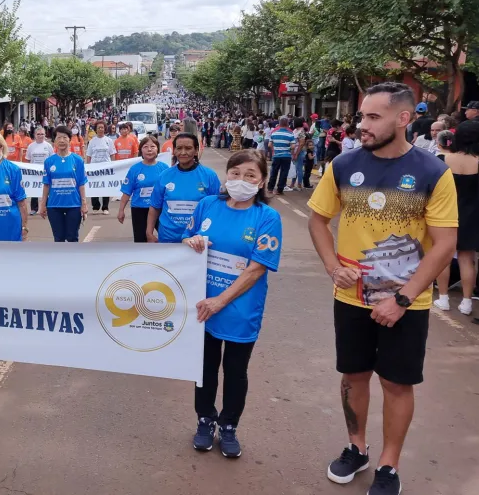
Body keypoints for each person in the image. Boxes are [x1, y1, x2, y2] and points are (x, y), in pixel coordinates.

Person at [308, 83, 458, 495]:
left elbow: (444, 244)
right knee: (353, 374)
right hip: (351, 298)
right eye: (362, 116)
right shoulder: (344, 164)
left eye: (373, 117)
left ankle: (389, 466)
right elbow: (318, 220)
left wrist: (403, 298)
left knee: (395, 382)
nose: (362, 125)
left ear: (404, 119)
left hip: (407, 303)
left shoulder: (433, 172)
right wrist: (332, 265)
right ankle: (357, 448)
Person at [182, 149, 282, 459]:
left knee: (236, 371)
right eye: (236, 173)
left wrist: (221, 301)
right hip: (203, 307)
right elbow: (186, 241)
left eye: (250, 175)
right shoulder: (207, 205)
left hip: (239, 310)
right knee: (205, 368)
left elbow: (256, 269)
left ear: (261, 180)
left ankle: (229, 426)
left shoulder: (267, 217)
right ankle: (204, 420)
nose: (241, 180)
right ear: (227, 175)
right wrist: (191, 241)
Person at [432, 122, 479, 319]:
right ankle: (467, 302)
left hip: (446, 214)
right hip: (473, 215)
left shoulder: (443, 159)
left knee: (443, 255)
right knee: (467, 259)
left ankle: (443, 298)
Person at [147, 133, 221, 243]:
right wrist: (149, 232)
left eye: (188, 148)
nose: (183, 152)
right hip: (168, 238)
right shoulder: (164, 176)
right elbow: (154, 207)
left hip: (197, 239)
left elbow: (217, 209)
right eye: (179, 148)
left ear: (196, 151)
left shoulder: (209, 176)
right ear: (174, 151)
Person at [38, 125, 87, 242]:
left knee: (72, 237)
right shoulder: (49, 161)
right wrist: (43, 204)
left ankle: (72, 260)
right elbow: (46, 184)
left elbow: (81, 184)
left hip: (73, 205)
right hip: (54, 206)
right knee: (58, 238)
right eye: (58, 138)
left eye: (65, 137)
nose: (61, 141)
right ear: (54, 141)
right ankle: (59, 260)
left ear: (70, 140)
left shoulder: (78, 160)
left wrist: (84, 203)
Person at [118, 136, 169, 242]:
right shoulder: (135, 169)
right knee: (141, 240)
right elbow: (127, 192)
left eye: (152, 146)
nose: (149, 149)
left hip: (159, 209)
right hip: (140, 209)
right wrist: (121, 210)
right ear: (141, 150)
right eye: (145, 147)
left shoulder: (165, 168)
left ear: (157, 150)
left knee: (167, 238)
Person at [86, 120, 116, 214]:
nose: (100, 129)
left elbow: (112, 154)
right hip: (95, 168)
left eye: (102, 127)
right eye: (98, 128)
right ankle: (95, 206)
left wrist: (113, 165)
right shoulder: (92, 141)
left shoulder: (109, 141)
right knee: (94, 186)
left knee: (105, 187)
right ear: (96, 129)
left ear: (105, 129)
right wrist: (88, 167)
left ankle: (105, 207)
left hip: (106, 168)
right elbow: (89, 155)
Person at [25, 127, 54, 215]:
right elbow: (28, 159)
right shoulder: (31, 146)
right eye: (38, 134)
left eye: (42, 134)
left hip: (46, 172)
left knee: (47, 189)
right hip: (34, 172)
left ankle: (48, 207)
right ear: (35, 135)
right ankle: (34, 208)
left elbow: (52, 159)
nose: (40, 136)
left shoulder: (48, 146)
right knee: (35, 190)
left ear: (45, 135)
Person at [267, 117, 296, 195]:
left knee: (274, 171)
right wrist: (288, 149)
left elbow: (269, 144)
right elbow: (293, 146)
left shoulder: (274, 133)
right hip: (286, 156)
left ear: (279, 123)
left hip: (276, 155)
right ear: (287, 124)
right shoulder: (290, 134)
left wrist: (274, 150)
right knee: (284, 172)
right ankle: (280, 189)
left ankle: (270, 188)